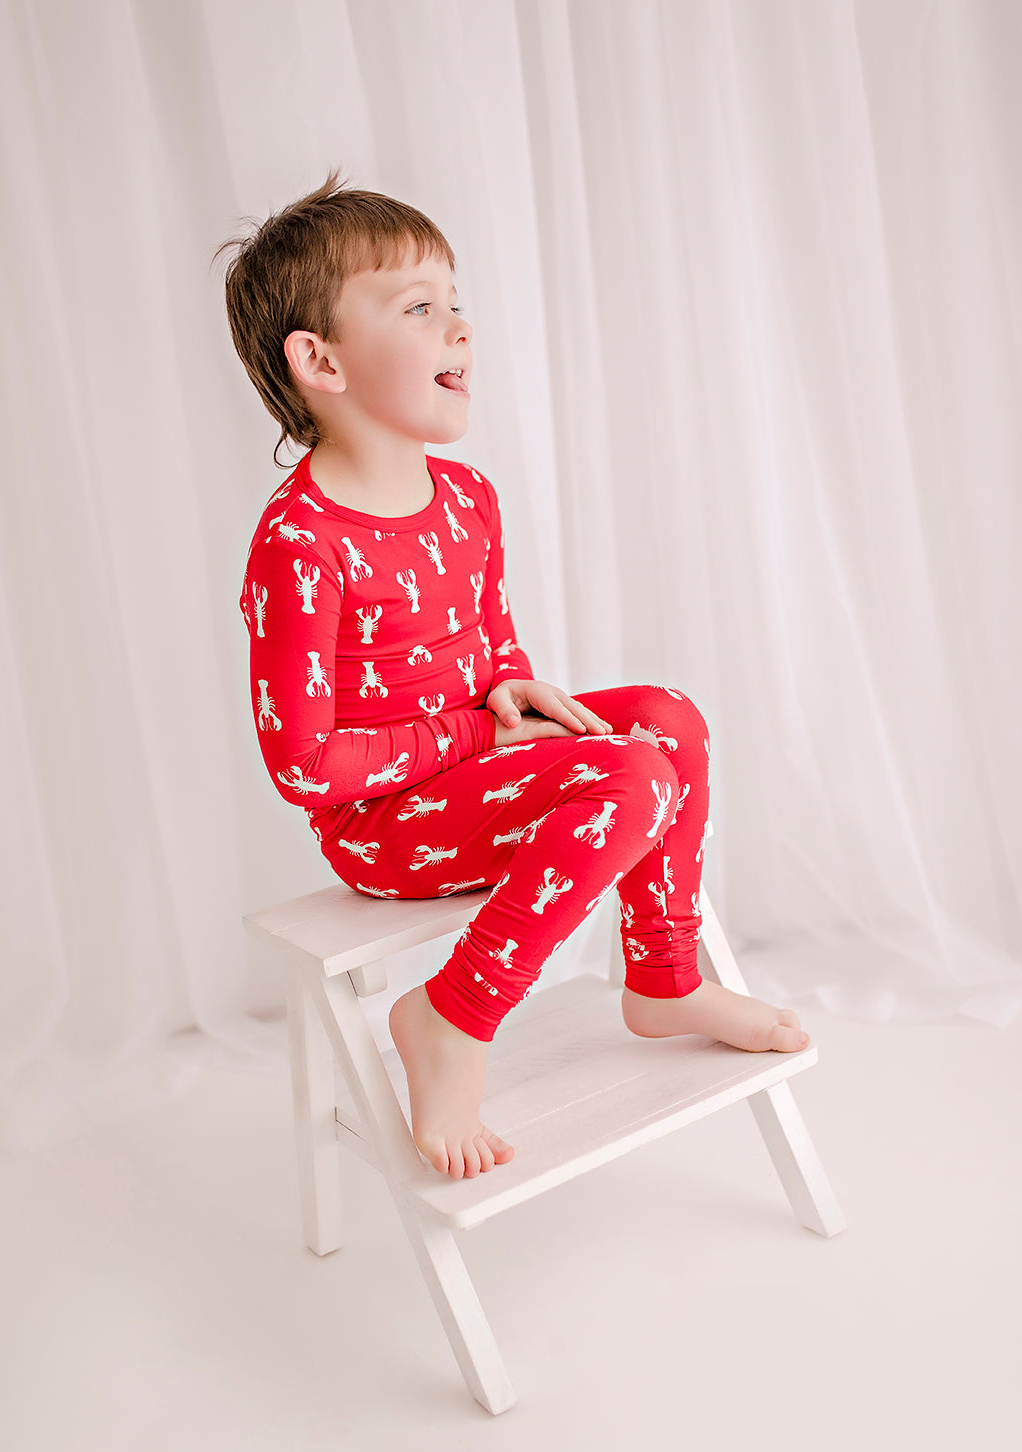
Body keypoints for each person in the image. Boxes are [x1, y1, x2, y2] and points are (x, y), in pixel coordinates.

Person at [216, 168, 809, 1181]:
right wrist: (471, 737)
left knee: (666, 719)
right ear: (320, 360)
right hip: (387, 821)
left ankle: (664, 977)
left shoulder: (466, 497)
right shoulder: (301, 544)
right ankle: (453, 1013)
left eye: (456, 303)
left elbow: (487, 633)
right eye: (418, 307)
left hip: (477, 760)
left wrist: (507, 690)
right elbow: (306, 765)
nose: (458, 327)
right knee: (631, 776)